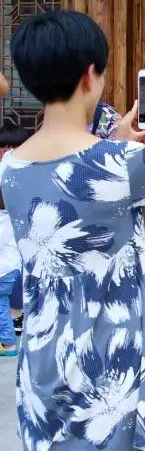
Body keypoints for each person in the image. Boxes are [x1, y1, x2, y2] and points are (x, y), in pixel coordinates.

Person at [2, 10, 145, 450]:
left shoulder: (10, 167)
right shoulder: (127, 162)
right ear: (89, 75)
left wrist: (115, 144)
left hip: (43, 350)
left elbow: (72, 185)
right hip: (110, 352)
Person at [0, 125, 30, 339]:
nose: (7, 152)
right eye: (3, 147)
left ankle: (17, 313)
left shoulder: (29, 172)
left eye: (13, 147)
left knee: (17, 269)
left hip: (21, 226)